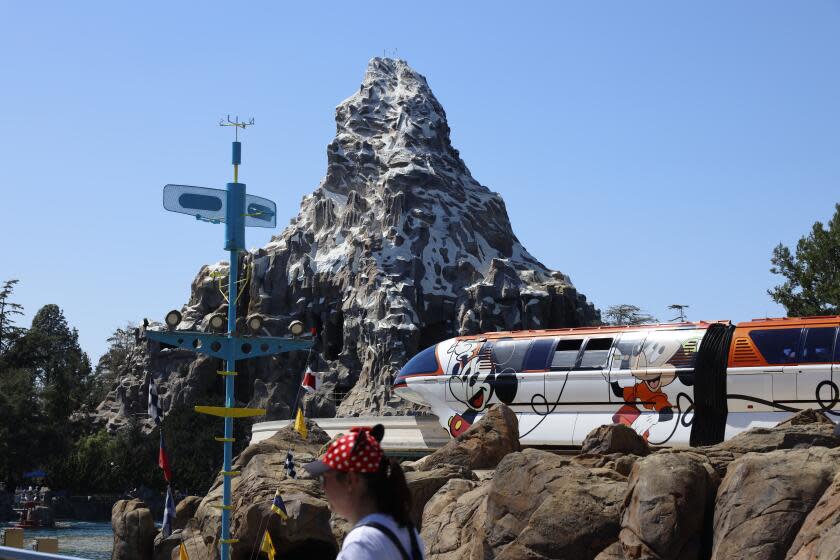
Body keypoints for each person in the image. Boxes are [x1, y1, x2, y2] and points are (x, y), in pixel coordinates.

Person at [304, 424, 424, 560]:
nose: (322, 488)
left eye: (323, 478)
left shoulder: (361, 544)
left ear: (350, 480)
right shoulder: (408, 532)